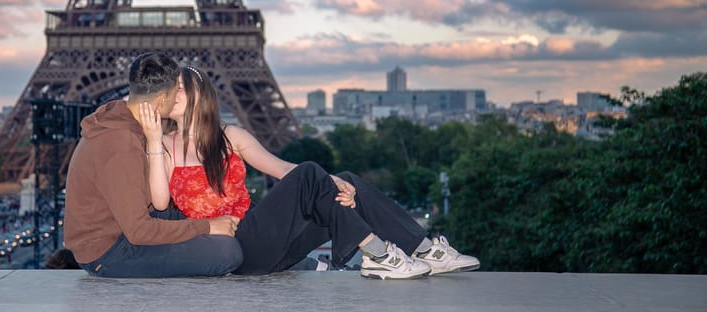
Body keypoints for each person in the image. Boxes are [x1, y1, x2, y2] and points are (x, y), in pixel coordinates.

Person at [138, 64, 480, 279]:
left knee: (348, 181)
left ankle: (424, 249)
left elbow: (284, 168)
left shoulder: (231, 137)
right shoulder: (164, 145)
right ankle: (376, 254)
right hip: (232, 250)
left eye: (184, 86)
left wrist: (331, 183)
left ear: (203, 95)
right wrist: (154, 140)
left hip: (267, 243)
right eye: (172, 88)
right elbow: (159, 200)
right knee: (311, 173)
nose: (176, 93)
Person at [60, 52, 243, 277]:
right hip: (109, 251)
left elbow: (152, 208)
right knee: (227, 252)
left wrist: (210, 222)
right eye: (176, 94)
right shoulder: (121, 143)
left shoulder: (125, 122)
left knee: (221, 220)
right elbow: (139, 231)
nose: (177, 100)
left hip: (123, 230)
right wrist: (206, 227)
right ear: (162, 99)